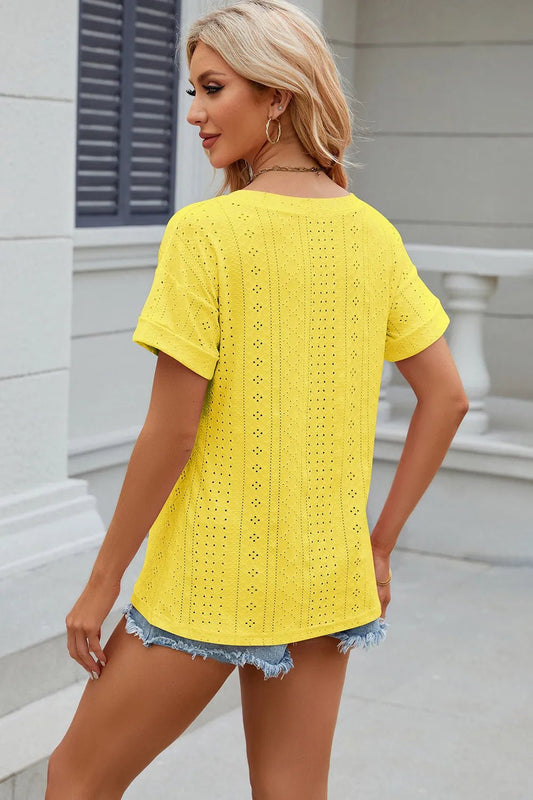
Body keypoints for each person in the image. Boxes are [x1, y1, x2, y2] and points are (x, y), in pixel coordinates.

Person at [45, 1, 468, 798]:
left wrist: (102, 583)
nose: (194, 115)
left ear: (277, 95)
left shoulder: (206, 234)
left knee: (75, 779)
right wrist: (376, 549)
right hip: (325, 578)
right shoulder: (373, 234)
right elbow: (445, 399)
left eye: (212, 89)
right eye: (193, 92)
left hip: (210, 577)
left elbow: (171, 433)